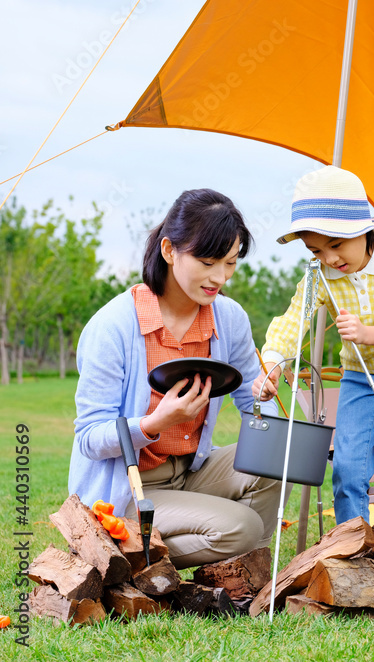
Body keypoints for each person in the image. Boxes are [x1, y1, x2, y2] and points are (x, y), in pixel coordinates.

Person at [70, 189, 283, 569]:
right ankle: (122, 552)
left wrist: (265, 392)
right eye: (207, 262)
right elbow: (89, 437)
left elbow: (255, 401)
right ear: (169, 251)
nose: (220, 277)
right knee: (243, 527)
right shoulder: (114, 326)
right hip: (130, 488)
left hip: (191, 470)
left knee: (274, 455)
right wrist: (155, 423)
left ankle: (246, 575)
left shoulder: (228, 318)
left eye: (231, 263)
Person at [253, 167, 374, 571]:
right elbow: (293, 319)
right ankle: (355, 565)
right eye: (317, 251)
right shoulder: (321, 273)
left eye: (336, 244)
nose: (330, 258)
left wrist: (372, 332)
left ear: (364, 229)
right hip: (358, 374)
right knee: (349, 471)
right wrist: (271, 361)